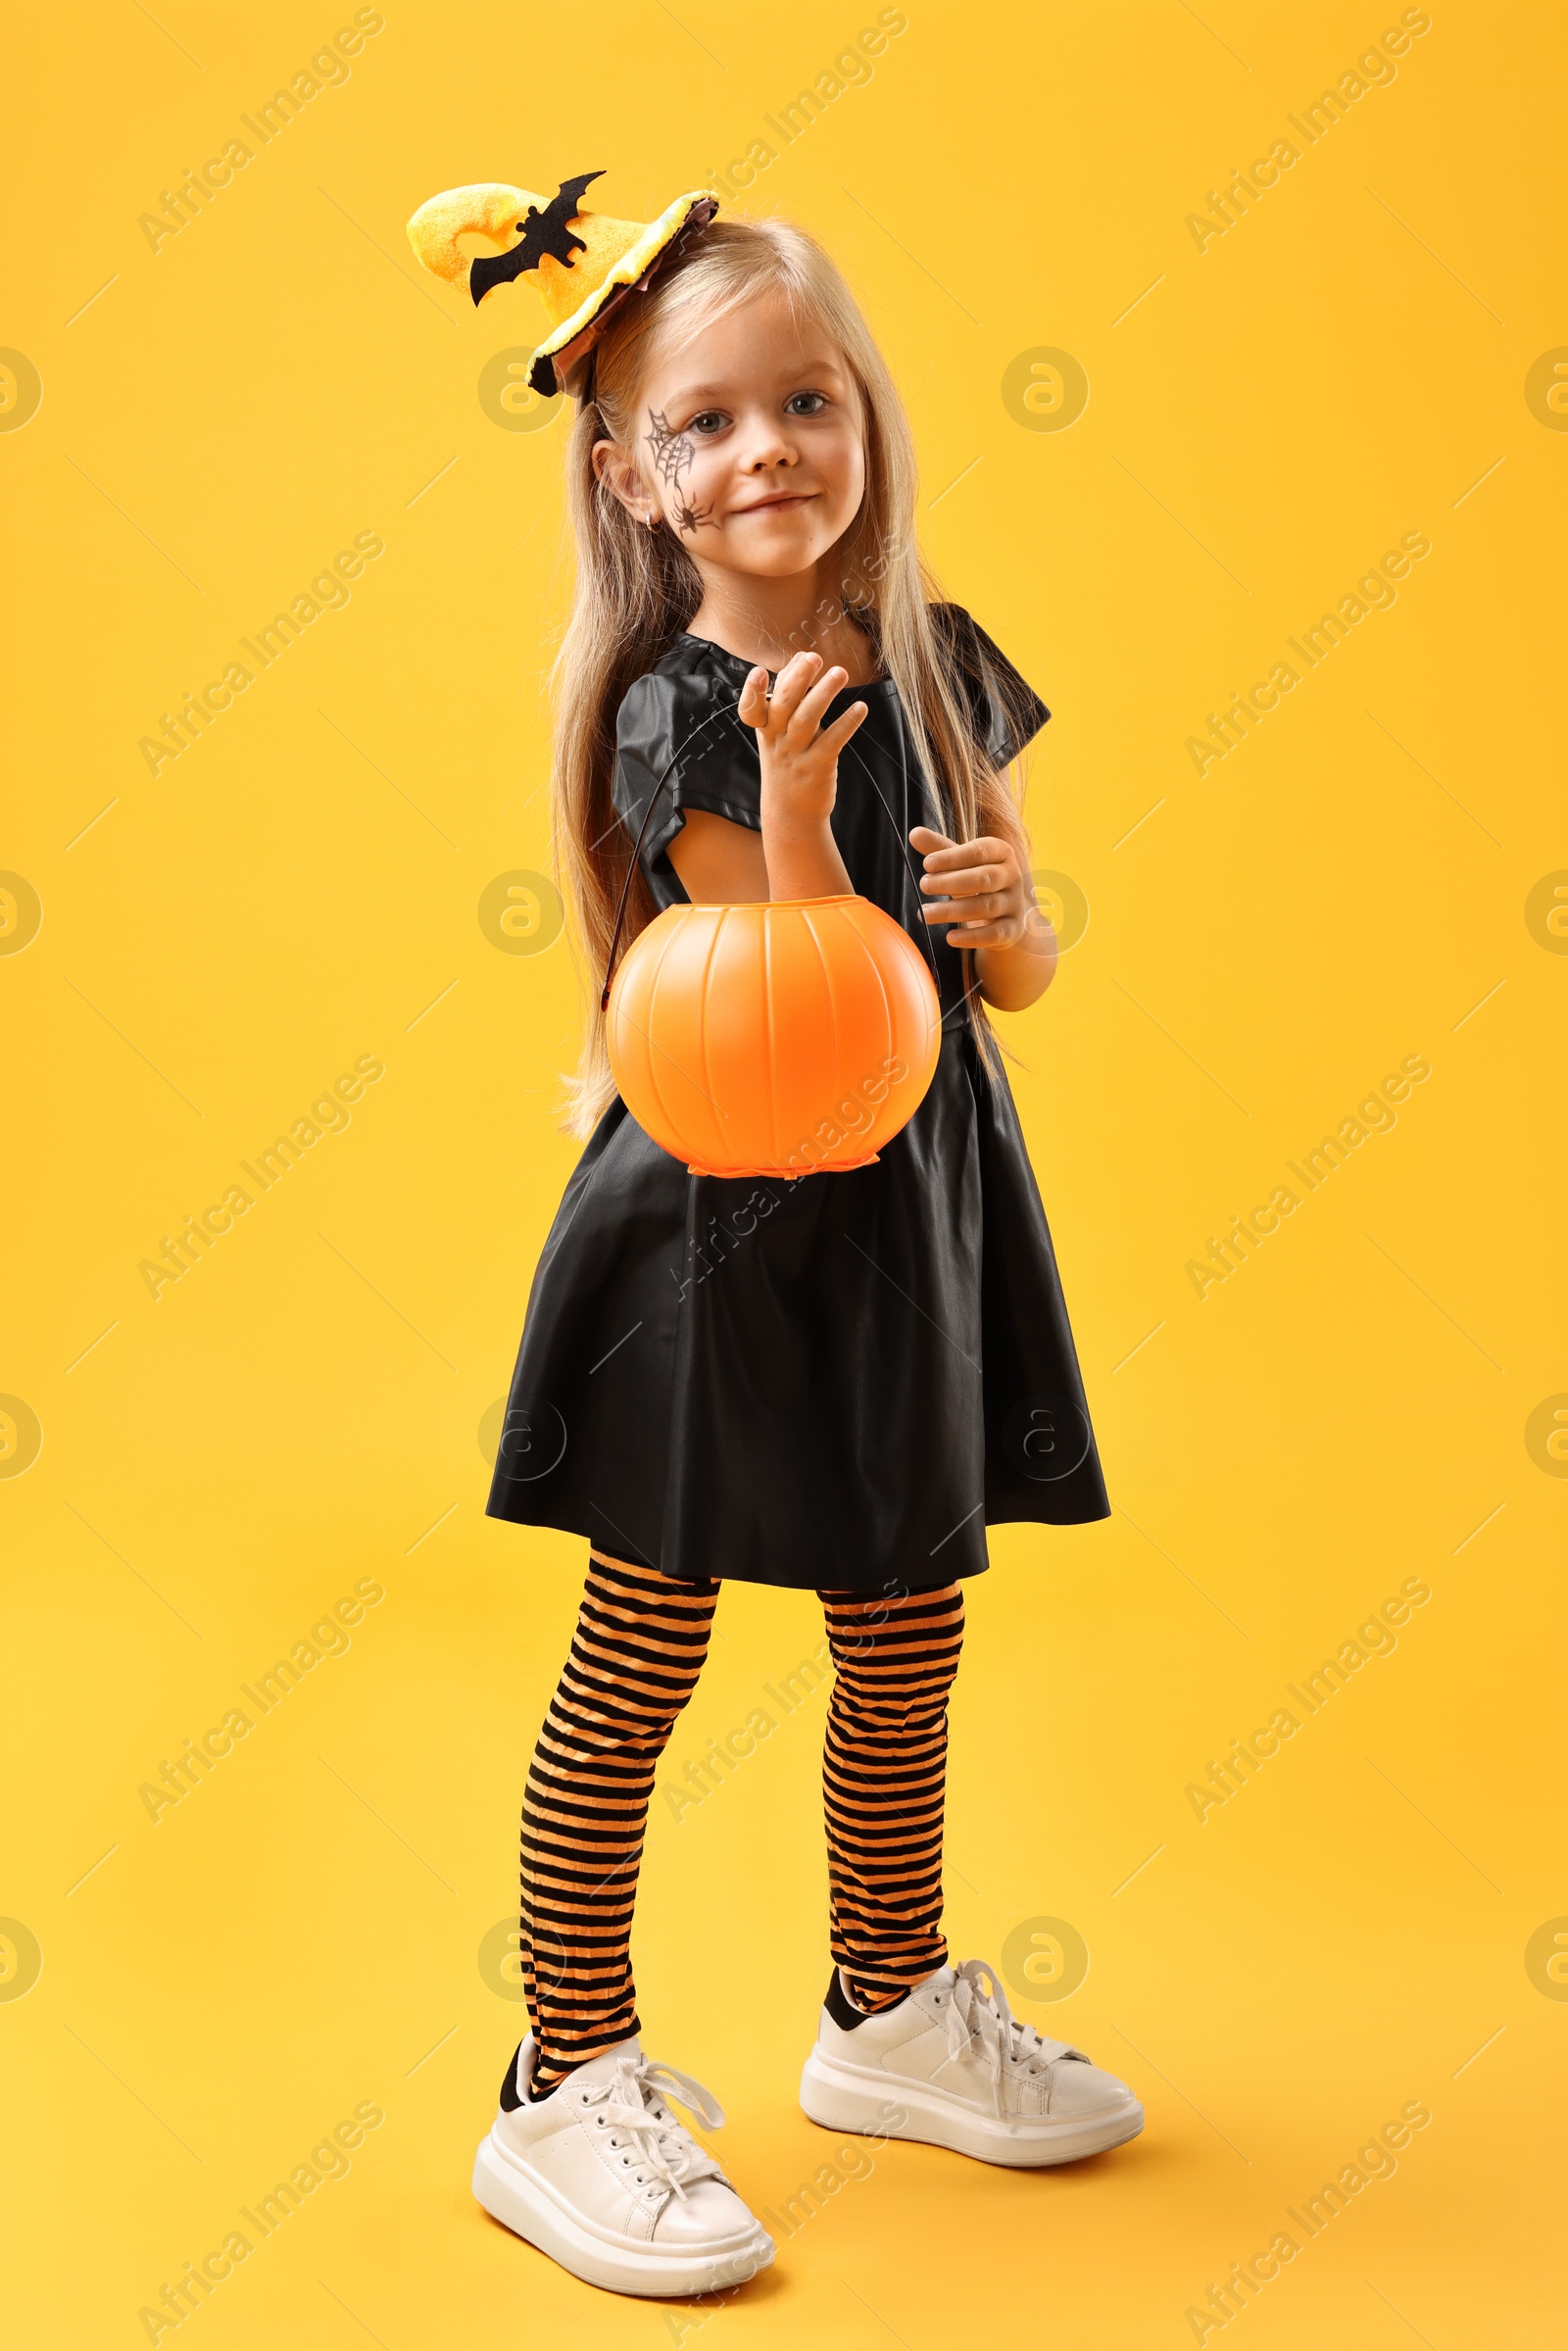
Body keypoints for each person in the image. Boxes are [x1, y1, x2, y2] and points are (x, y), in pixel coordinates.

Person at [408, 173, 1143, 2302]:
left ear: (863, 415)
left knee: (904, 1624)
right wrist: (812, 824)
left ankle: (887, 2008)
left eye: (801, 401)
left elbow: (979, 986)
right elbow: (784, 1005)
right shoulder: (672, 708)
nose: (767, 455)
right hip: (719, 1230)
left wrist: (1017, 928)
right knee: (647, 1646)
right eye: (707, 425)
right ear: (629, 474)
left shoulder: (922, 650)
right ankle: (560, 2078)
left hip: (911, 1201)